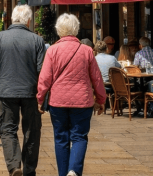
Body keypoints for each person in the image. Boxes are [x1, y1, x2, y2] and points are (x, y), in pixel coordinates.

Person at [37, 14, 106, 176]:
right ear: (76, 29)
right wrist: (101, 99)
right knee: (79, 137)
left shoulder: (52, 50)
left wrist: (40, 99)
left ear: (58, 30)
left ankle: (63, 173)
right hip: (82, 101)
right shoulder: (87, 50)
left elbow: (45, 78)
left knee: (61, 139)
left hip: (58, 101)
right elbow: (96, 78)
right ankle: (74, 170)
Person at [0, 5, 46, 176]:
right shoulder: (37, 40)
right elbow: (43, 71)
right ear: (28, 20)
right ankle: (29, 170)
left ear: (11, 19)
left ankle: (14, 165)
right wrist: (42, 95)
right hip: (30, 92)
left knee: (7, 129)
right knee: (32, 131)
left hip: (6, 91)